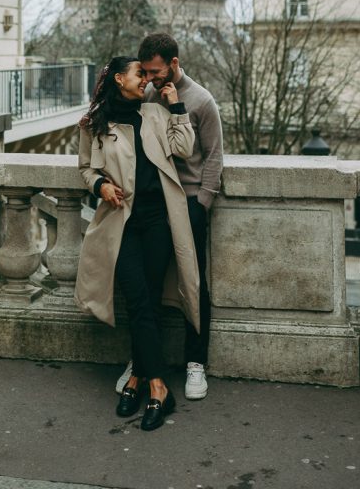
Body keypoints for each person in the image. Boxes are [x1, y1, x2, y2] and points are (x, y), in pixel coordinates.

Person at [74, 55, 200, 432]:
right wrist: (101, 185)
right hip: (122, 220)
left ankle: (138, 379)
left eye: (147, 74)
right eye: (138, 74)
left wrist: (176, 106)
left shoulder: (156, 114)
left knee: (149, 300)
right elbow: (85, 168)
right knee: (137, 297)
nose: (145, 79)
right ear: (119, 79)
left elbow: (185, 149)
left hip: (159, 221)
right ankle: (159, 386)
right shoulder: (94, 123)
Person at [115, 32, 223, 401]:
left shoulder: (201, 100)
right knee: (149, 285)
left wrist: (202, 205)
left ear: (174, 64)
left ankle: (196, 363)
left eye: (156, 71)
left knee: (193, 285)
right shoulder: (145, 95)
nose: (149, 78)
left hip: (189, 203)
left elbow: (213, 157)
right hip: (156, 205)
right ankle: (143, 362)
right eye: (144, 71)